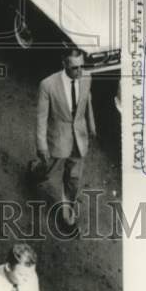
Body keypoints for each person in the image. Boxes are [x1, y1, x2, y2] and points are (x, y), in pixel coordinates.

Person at [35, 46, 96, 235]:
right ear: (64, 65)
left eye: (81, 67)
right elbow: (41, 118)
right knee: (46, 168)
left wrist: (92, 125)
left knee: (73, 178)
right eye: (74, 68)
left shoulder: (87, 77)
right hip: (57, 139)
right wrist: (42, 145)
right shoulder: (48, 85)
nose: (79, 72)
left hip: (79, 137)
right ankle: (34, 172)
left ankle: (67, 217)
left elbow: (87, 101)